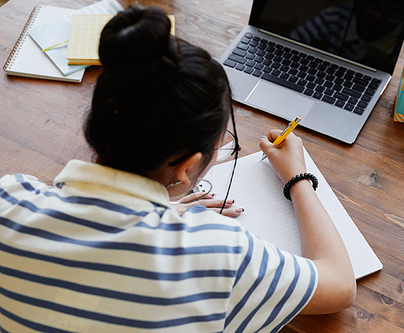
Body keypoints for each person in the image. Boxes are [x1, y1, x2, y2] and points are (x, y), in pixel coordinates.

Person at [0, 5, 355, 332]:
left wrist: (158, 209)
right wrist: (297, 177)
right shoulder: (217, 254)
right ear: (187, 167)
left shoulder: (10, 199)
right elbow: (339, 285)